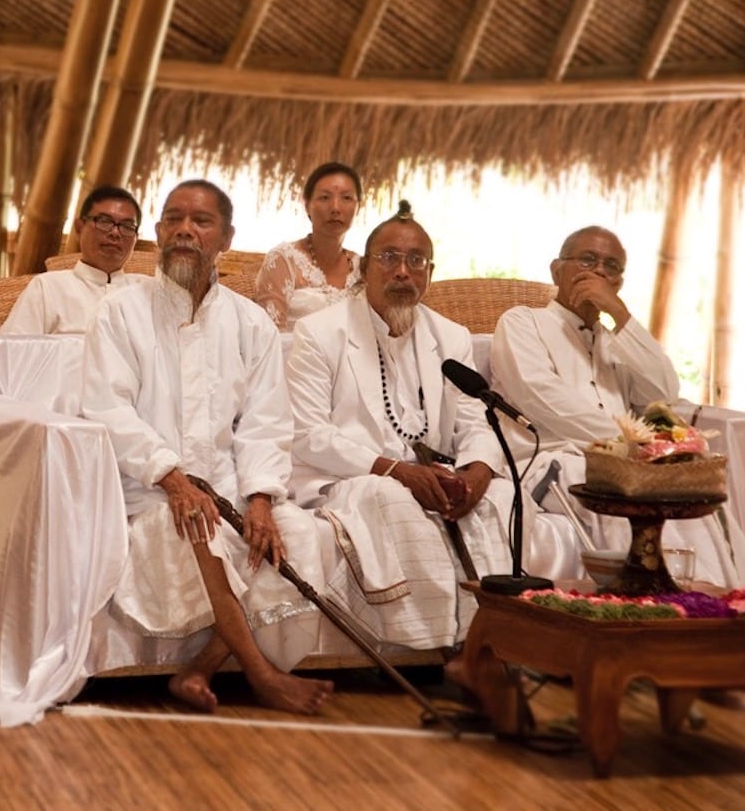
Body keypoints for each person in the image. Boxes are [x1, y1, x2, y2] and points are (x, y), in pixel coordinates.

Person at [82, 179, 333, 715]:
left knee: (298, 535)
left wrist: (262, 498)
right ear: (157, 233)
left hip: (230, 488)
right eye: (173, 219)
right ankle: (262, 675)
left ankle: (199, 669)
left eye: (200, 222)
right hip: (147, 490)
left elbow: (267, 421)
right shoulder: (121, 312)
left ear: (226, 237)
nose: (184, 232)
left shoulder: (250, 322)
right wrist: (171, 478)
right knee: (201, 529)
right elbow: (107, 408)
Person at [285, 202, 513, 650]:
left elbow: (475, 420)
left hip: (433, 476)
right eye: (389, 258)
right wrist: (396, 470)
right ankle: (438, 648)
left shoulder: (451, 337)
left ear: (430, 271)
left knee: (497, 499)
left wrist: (478, 472)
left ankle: (488, 645)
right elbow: (309, 434)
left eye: (416, 260)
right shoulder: (320, 332)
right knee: (387, 496)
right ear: (364, 268)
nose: (403, 271)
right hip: (352, 476)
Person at [490, 225, 745, 586]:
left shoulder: (617, 344)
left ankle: (720, 597)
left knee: (693, 491)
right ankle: (644, 601)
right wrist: (634, 446)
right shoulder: (523, 322)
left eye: (612, 266)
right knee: (628, 491)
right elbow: (539, 397)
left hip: (629, 460)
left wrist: (620, 315)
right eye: (588, 260)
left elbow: (664, 393)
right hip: (551, 459)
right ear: (557, 270)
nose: (600, 271)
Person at [1, 185, 141, 335]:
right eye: (104, 221)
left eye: (127, 226)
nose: (115, 233)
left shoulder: (146, 292)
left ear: (135, 238)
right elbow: (11, 352)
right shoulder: (47, 288)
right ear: (79, 228)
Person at [254, 162, 363, 331]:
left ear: (358, 208)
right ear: (307, 206)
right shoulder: (284, 260)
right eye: (324, 197)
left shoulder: (363, 268)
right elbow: (269, 338)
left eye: (346, 198)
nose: (335, 207)